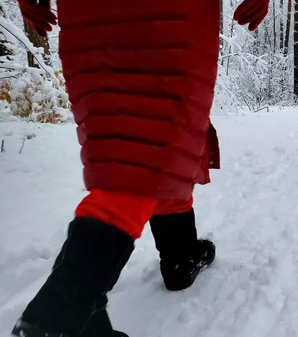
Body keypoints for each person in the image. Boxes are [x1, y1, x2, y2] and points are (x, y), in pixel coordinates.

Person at [11, 0, 270, 336]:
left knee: (134, 141)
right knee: (154, 142)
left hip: (87, 16)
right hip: (174, 14)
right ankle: (57, 316)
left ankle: (179, 255)